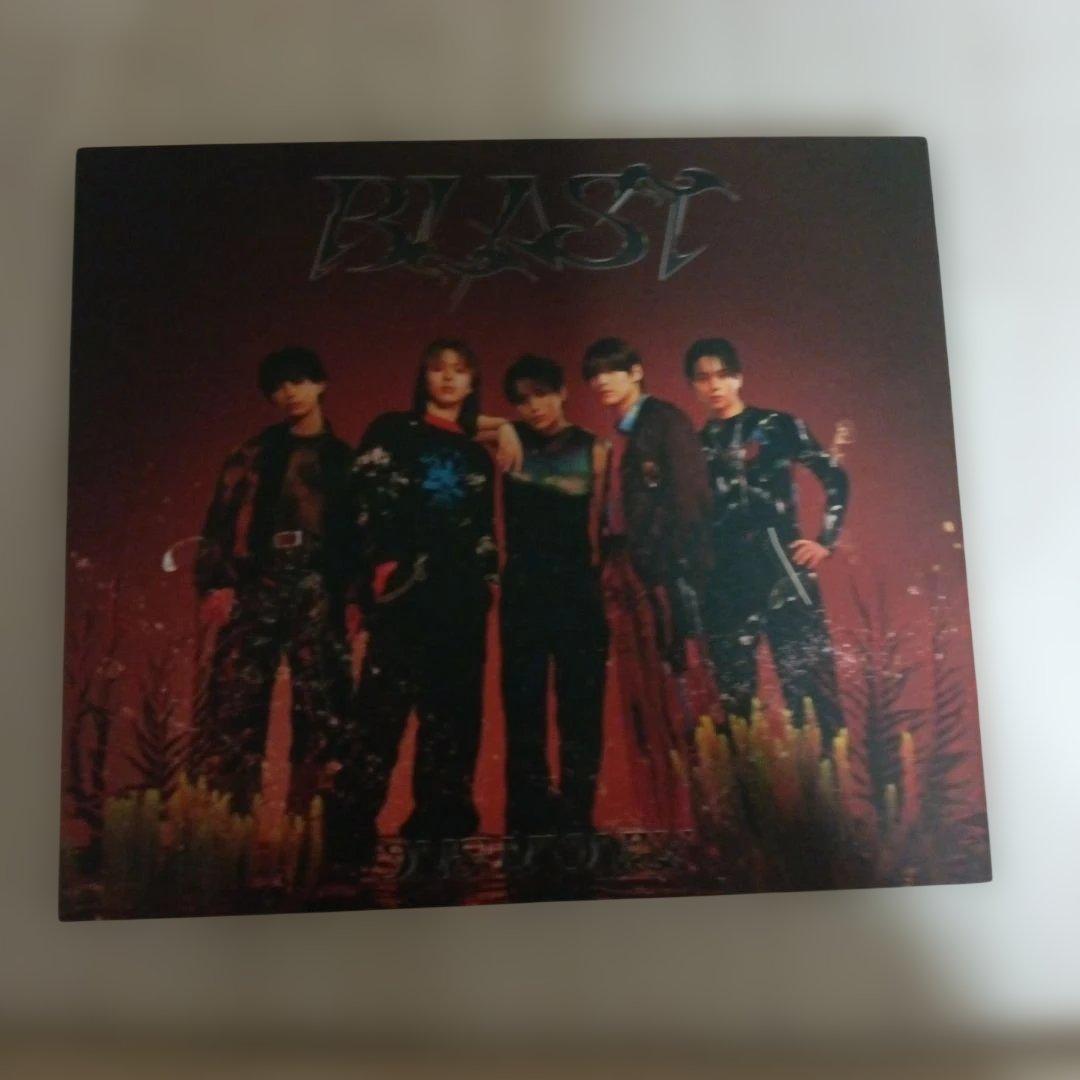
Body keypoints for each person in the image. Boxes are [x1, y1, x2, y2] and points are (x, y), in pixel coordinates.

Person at [331, 339, 497, 859]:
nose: (448, 378)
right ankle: (347, 835)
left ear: (472, 383)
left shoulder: (476, 454)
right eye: (438, 368)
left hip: (461, 599)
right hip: (404, 593)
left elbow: (482, 527)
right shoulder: (392, 430)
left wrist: (487, 581)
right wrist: (380, 566)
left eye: (459, 370)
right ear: (423, 377)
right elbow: (363, 499)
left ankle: (438, 834)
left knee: (453, 718)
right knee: (380, 714)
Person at [193, 346, 357, 820]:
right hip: (256, 584)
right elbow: (220, 521)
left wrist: (354, 598)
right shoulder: (252, 455)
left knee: (322, 713)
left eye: (299, 381)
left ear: (321, 384)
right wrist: (218, 583)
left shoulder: (344, 460)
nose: (290, 393)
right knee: (234, 709)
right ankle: (228, 831)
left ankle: (312, 834)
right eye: (279, 386)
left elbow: (358, 534)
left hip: (319, 589)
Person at [685, 337, 849, 747]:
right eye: (703, 378)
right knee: (734, 698)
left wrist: (825, 542)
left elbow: (835, 477)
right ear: (693, 386)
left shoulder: (778, 426)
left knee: (809, 688)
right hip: (724, 575)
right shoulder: (694, 448)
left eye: (723, 374)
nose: (714, 385)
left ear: (739, 377)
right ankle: (749, 785)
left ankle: (828, 782)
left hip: (780, 562)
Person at [582, 336, 712, 828]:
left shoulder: (665, 421)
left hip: (662, 579)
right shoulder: (623, 433)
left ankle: (697, 820)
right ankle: (670, 821)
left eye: (611, 370)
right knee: (645, 700)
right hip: (630, 575)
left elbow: (692, 503)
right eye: (594, 375)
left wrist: (667, 570)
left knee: (679, 697)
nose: (601, 381)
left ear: (636, 371)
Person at [499, 354, 609, 837]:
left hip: (577, 589)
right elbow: (449, 418)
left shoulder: (595, 448)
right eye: (521, 401)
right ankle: (528, 822)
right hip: (523, 587)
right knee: (522, 707)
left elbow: (606, 526)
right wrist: (504, 427)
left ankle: (576, 818)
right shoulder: (509, 439)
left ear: (563, 392)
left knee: (581, 708)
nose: (533, 407)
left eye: (541, 394)